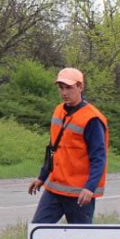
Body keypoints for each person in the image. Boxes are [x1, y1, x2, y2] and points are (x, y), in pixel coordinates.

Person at [27, 67, 109, 224]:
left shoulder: (92, 118)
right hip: (54, 189)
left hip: (79, 193)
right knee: (38, 233)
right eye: (61, 87)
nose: (64, 92)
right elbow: (52, 148)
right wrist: (42, 176)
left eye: (69, 87)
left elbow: (98, 158)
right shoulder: (59, 110)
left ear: (80, 87)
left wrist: (90, 188)